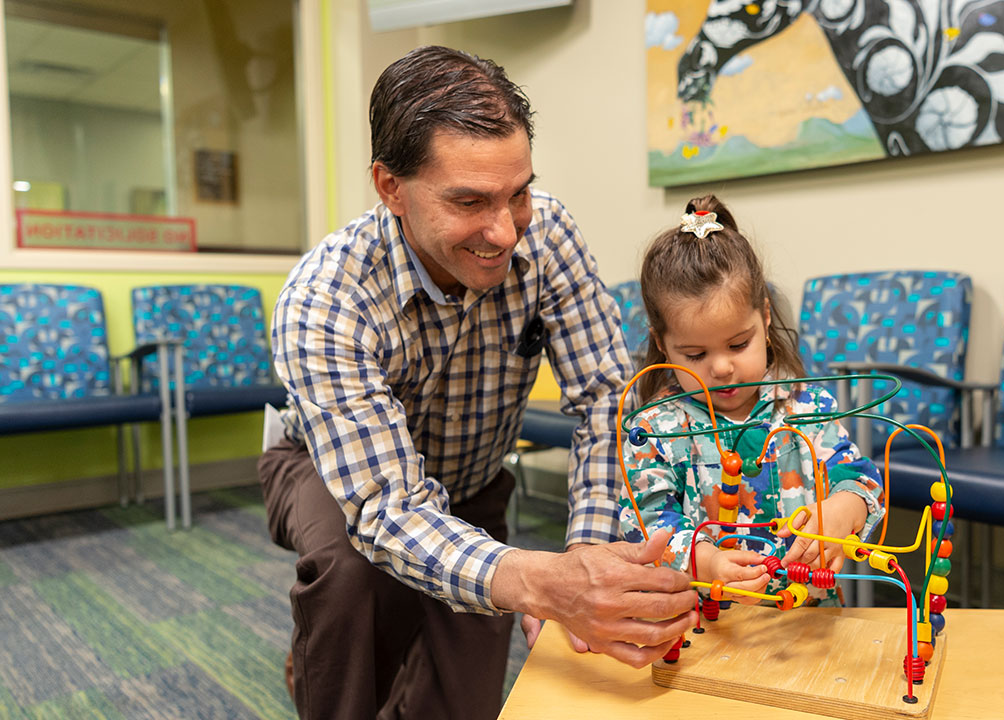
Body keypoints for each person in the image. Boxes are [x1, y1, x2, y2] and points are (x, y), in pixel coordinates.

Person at [259, 45, 696, 720]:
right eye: (469, 201)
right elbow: (387, 509)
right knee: (351, 580)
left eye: (516, 192)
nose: (504, 230)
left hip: (472, 480)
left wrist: (583, 557)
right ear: (390, 188)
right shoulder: (325, 300)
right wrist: (538, 581)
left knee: (461, 704)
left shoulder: (546, 232)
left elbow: (606, 397)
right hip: (336, 478)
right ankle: (329, 666)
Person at [619, 195, 884, 609]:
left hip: (811, 627)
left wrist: (843, 508)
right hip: (707, 631)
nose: (722, 368)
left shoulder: (807, 406)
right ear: (662, 344)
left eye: (738, 344)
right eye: (695, 354)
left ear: (764, 318)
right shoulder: (652, 430)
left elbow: (861, 478)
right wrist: (706, 562)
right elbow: (646, 521)